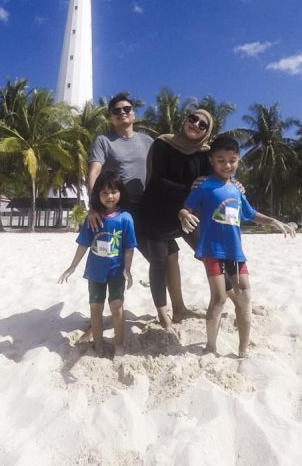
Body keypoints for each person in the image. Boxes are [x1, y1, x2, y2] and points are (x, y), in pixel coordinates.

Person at [178, 135, 296, 358]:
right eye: (221, 160)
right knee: (219, 298)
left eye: (232, 160)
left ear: (238, 160)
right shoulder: (204, 186)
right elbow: (186, 208)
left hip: (235, 252)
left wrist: (273, 221)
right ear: (211, 160)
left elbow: (250, 214)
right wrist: (184, 215)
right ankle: (210, 347)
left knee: (245, 297)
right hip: (212, 251)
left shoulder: (238, 190)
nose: (227, 165)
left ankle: (243, 349)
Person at [140, 108, 215, 329]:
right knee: (160, 261)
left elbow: (215, 181)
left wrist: (235, 184)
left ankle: (236, 298)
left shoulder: (206, 154)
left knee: (210, 254)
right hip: (157, 213)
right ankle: (166, 314)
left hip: (188, 214)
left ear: (207, 131)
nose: (196, 124)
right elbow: (157, 180)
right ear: (185, 120)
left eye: (203, 124)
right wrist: (189, 190)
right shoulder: (163, 143)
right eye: (193, 119)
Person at [59, 170, 136, 355]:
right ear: (98, 195)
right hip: (95, 272)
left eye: (113, 192)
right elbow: (83, 244)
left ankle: (119, 344)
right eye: (104, 193)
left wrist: (128, 269)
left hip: (116, 271)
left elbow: (129, 247)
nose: (109, 196)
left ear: (120, 192)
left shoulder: (126, 218)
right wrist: (72, 266)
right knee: (95, 308)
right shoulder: (93, 218)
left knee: (117, 307)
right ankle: (98, 344)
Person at [87, 92, 154, 221]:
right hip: (116, 206)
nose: (122, 112)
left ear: (134, 114)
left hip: (145, 204)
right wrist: (94, 205)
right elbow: (94, 173)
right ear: (111, 118)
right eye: (116, 111)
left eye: (127, 109)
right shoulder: (103, 141)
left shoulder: (148, 141)